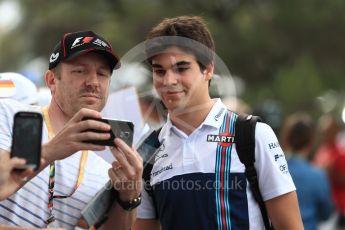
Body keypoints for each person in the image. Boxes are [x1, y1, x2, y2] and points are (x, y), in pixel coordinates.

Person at [133, 16, 303, 230]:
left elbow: (291, 226)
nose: (168, 81)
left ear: (209, 69)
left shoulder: (252, 134)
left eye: (181, 68)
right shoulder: (148, 149)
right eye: (160, 71)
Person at [0, 31, 143, 229]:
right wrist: (50, 150)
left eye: (102, 74)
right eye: (80, 71)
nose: (93, 82)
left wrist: (129, 196)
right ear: (51, 80)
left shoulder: (106, 168)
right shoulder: (12, 116)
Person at [280, 112, 333, 230]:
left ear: (286, 138)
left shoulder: (272, 170)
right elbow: (326, 214)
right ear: (311, 141)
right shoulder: (318, 175)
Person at [313, 114, 345, 228]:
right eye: (322, 131)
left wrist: (331, 172)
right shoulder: (321, 150)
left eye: (327, 131)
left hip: (338, 209)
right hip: (323, 207)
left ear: (335, 131)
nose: (324, 134)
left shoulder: (341, 152)